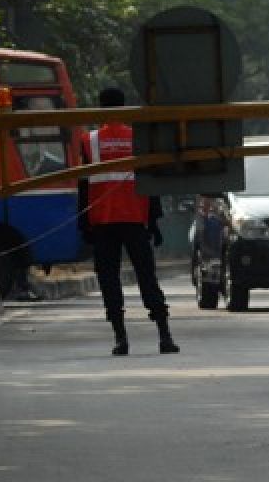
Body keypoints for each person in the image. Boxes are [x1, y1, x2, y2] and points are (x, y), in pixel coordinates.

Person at [78, 87, 179, 356]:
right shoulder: (137, 139)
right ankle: (164, 336)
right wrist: (154, 222)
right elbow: (150, 182)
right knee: (147, 276)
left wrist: (83, 224)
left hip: (102, 221)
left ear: (100, 108)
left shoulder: (90, 141)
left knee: (109, 279)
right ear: (124, 107)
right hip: (136, 219)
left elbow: (83, 185)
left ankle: (121, 339)